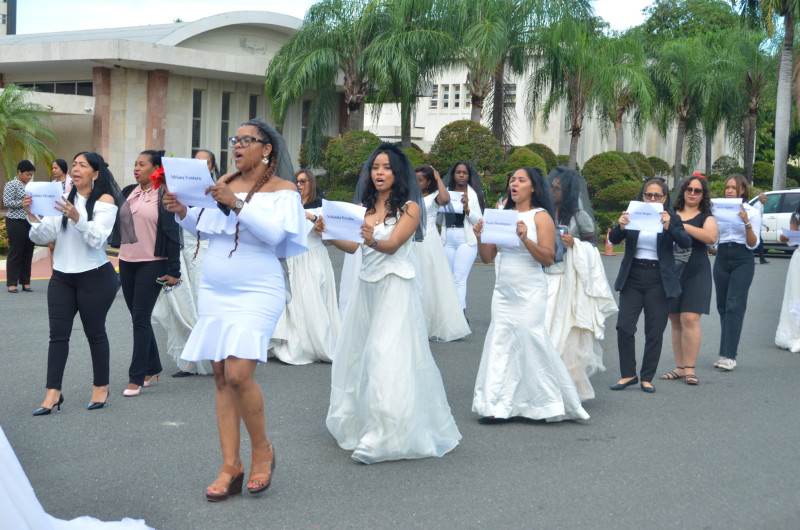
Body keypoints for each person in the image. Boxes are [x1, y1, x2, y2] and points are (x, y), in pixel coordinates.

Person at [164, 120, 306, 501]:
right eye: (235, 139)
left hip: (258, 287)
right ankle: (231, 464)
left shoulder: (285, 191)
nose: (238, 146)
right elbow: (206, 228)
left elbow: (276, 235)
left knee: (240, 373)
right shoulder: (224, 185)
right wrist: (182, 211)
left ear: (267, 150)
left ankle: (263, 450)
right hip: (216, 287)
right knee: (221, 375)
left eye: (247, 140)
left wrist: (235, 202)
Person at [316, 142, 461, 463]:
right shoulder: (365, 208)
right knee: (358, 357)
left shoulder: (411, 208)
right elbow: (354, 248)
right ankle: (366, 422)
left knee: (386, 355)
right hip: (366, 291)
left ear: (397, 173)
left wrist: (370, 238)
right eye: (375, 167)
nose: (379, 173)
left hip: (396, 288)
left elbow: (393, 245)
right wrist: (327, 233)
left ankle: (383, 435)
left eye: (386, 168)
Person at [472, 167, 589, 423]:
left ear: (533, 187)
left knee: (530, 341)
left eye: (521, 180)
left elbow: (548, 258)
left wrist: (525, 239)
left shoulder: (541, 217)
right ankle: (496, 405)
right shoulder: (501, 215)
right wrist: (481, 237)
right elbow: (488, 257)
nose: (514, 183)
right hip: (504, 292)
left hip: (530, 289)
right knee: (500, 343)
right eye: (512, 179)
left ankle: (542, 404)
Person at [25, 152, 121, 415]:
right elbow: (45, 235)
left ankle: (101, 386)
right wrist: (32, 215)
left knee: (95, 333)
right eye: (75, 165)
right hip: (62, 278)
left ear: (96, 173)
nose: (76, 169)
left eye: (83, 165)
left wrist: (77, 217)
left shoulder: (105, 201)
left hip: (95, 276)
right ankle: (53, 393)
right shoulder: (64, 199)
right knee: (57, 336)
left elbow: (97, 239)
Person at [609, 178, 691, 393]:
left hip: (659, 278)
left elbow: (685, 242)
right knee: (624, 327)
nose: (652, 199)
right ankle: (628, 374)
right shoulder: (633, 213)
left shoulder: (672, 218)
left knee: (654, 331)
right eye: (648, 195)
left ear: (665, 199)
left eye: (657, 196)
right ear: (643, 196)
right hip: (633, 275)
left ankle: (647, 377)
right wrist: (620, 226)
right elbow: (614, 238)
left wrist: (669, 227)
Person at [544, 167, 617, 400]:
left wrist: (574, 243)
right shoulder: (542, 213)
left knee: (565, 335)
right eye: (551, 187)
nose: (553, 191)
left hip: (567, 280)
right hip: (543, 277)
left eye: (558, 188)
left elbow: (592, 249)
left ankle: (565, 389)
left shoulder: (579, 217)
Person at [117, 150, 181, 397]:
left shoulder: (164, 194)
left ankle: (137, 376)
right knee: (138, 317)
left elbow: (172, 233)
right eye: (135, 163)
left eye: (142, 164)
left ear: (156, 169)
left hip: (153, 262)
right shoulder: (129, 191)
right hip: (126, 261)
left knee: (140, 318)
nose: (136, 168)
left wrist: (174, 270)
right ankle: (153, 367)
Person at [268, 169, 340, 364]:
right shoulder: (289, 207)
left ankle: (317, 343)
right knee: (293, 302)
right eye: (297, 182)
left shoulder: (321, 208)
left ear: (311, 184)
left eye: (303, 181)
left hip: (313, 257)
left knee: (313, 299)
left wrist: (312, 218)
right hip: (292, 258)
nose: (299, 185)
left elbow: (330, 234)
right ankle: (293, 342)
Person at [662, 176, 718, 385]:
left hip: (697, 271)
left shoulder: (706, 217)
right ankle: (679, 367)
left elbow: (711, 238)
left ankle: (690, 369)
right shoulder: (670, 214)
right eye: (689, 189)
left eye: (697, 191)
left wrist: (680, 225)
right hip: (672, 271)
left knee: (690, 319)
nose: (692, 193)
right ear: (683, 191)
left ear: (703, 195)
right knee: (675, 320)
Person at [414, 164, 471, 341]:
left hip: (429, 241)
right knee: (416, 281)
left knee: (431, 281)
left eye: (420, 180)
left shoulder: (434, 197)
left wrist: (438, 178)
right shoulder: (411, 196)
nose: (417, 183)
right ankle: (416, 323)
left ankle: (432, 323)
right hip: (412, 242)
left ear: (429, 181)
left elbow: (445, 199)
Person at [712, 175, 761, 371]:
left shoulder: (752, 211)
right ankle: (726, 351)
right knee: (722, 306)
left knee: (734, 305)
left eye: (733, 187)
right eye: (727, 187)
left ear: (742, 191)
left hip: (743, 258)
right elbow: (713, 240)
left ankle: (729, 355)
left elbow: (753, 244)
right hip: (722, 257)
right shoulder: (717, 209)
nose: (729, 190)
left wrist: (746, 222)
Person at [440, 161, 487, 320]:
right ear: (453, 174)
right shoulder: (445, 192)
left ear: (469, 176)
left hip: (465, 240)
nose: (461, 175)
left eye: (464, 173)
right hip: (448, 239)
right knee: (449, 279)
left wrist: (467, 209)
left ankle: (460, 316)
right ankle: (451, 315)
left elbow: (479, 221)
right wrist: (441, 204)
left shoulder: (472, 194)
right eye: (458, 172)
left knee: (459, 278)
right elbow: (440, 220)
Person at [4, 160, 36, 293]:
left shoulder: (32, 186)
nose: (29, 177)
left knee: (28, 252)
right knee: (16, 251)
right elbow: (7, 202)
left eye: (31, 175)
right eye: (27, 174)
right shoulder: (11, 184)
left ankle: (26, 282)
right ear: (19, 172)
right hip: (15, 220)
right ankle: (12, 283)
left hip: (30, 220)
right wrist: (22, 203)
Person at [776, 204, 800, 352]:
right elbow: (790, 238)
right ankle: (794, 333)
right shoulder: (797, 215)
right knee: (796, 295)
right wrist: (784, 237)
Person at [48, 159, 73, 270]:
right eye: (52, 168)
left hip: (67, 218)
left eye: (56, 168)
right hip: (52, 217)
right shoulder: (52, 184)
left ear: (63, 169)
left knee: (65, 247)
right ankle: (54, 273)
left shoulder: (72, 183)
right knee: (52, 247)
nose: (54, 170)